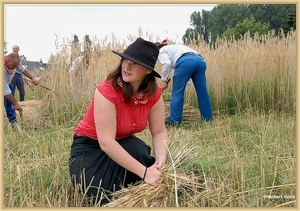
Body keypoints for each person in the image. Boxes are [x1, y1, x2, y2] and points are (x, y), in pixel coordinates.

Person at [69, 38, 169, 206]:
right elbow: (106, 142)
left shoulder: (154, 93)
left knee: (137, 148)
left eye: (135, 63)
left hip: (123, 144)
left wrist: (160, 161)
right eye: (125, 60)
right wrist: (144, 173)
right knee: (97, 192)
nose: (127, 66)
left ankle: (146, 172)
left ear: (147, 70)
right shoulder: (106, 90)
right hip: (89, 149)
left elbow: (159, 132)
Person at [155, 39, 214, 124]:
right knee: (203, 92)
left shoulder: (161, 51)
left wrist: (164, 80)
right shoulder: (175, 48)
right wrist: (187, 82)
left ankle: (174, 122)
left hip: (185, 62)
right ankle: (208, 119)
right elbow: (190, 64)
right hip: (200, 61)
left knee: (177, 93)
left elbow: (167, 63)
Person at [4, 53, 38, 127]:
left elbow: (23, 69)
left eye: (16, 66)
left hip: (7, 84)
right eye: (13, 66)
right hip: (4, 85)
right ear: (8, 61)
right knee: (11, 102)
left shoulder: (15, 63)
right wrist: (16, 103)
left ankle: (13, 123)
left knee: (10, 104)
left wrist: (32, 78)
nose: (14, 68)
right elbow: (5, 91)